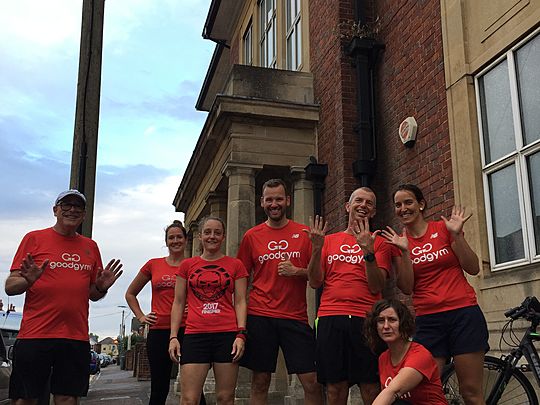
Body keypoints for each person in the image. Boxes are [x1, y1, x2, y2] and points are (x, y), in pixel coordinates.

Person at [5, 189, 123, 405]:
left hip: (74, 336)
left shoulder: (90, 247)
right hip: (35, 334)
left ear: (84, 215)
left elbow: (92, 295)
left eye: (78, 206)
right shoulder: (34, 239)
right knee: (25, 398)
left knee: (67, 398)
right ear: (55, 210)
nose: (72, 210)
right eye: (66, 205)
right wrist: (28, 280)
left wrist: (101, 287)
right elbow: (10, 287)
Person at [381, 184, 488, 405]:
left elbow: (473, 267)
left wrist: (457, 235)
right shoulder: (398, 242)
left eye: (408, 202)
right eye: (398, 205)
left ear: (421, 204)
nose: (403, 208)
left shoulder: (444, 229)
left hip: (463, 314)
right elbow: (407, 287)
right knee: (422, 390)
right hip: (428, 320)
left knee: (470, 391)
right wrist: (404, 252)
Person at [237, 178, 323, 405]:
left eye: (278, 199)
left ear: (288, 200)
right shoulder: (251, 236)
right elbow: (241, 279)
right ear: (262, 202)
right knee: (261, 380)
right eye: (269, 199)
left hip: (294, 316)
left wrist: (298, 271)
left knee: (312, 381)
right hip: (260, 315)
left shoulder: (304, 233)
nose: (274, 204)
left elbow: (316, 280)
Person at [306, 187, 393, 405]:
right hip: (330, 318)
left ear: (373, 212)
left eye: (369, 203)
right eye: (359, 201)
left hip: (366, 319)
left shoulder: (379, 242)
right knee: (335, 389)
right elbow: (315, 282)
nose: (363, 205)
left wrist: (368, 253)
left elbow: (376, 286)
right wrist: (316, 249)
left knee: (371, 387)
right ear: (348, 206)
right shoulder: (329, 240)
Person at [168, 216, 248, 405]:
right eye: (208, 232)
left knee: (225, 398)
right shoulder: (187, 266)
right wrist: (173, 336)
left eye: (217, 233)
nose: (212, 236)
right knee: (189, 399)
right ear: (200, 236)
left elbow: (241, 301)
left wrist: (241, 334)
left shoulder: (235, 265)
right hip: (195, 336)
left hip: (227, 335)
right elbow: (178, 302)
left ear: (223, 237)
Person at [125, 220, 206, 405]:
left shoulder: (195, 264)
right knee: (159, 388)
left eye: (179, 237)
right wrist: (141, 317)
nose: (175, 240)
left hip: (189, 330)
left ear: (186, 240)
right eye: (171, 237)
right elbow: (130, 294)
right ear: (166, 241)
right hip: (159, 331)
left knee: (193, 389)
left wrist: (195, 307)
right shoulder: (153, 265)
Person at [365, 299, 447, 405]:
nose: (386, 326)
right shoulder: (383, 358)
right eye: (381, 320)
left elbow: (392, 391)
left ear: (403, 324)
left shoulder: (419, 355)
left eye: (392, 320)